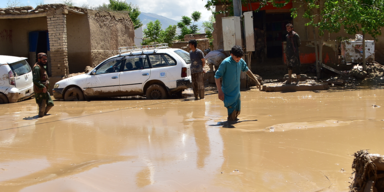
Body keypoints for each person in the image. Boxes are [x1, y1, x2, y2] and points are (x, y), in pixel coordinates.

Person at [215, 45, 261, 123]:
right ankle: (229, 129)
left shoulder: (240, 61)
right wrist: (220, 91)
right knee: (231, 113)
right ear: (231, 54)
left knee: (236, 112)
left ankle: (233, 128)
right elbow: (217, 76)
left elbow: (247, 70)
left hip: (237, 91)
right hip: (228, 92)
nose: (238, 59)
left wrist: (256, 80)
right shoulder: (226, 62)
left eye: (240, 58)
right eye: (237, 57)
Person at [33, 52, 54, 117]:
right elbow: (35, 80)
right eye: (43, 59)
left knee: (50, 103)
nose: (45, 61)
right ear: (39, 59)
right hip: (40, 91)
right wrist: (42, 87)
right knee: (41, 108)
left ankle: (42, 116)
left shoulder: (42, 66)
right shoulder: (37, 68)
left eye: (46, 59)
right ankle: (41, 119)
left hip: (45, 90)